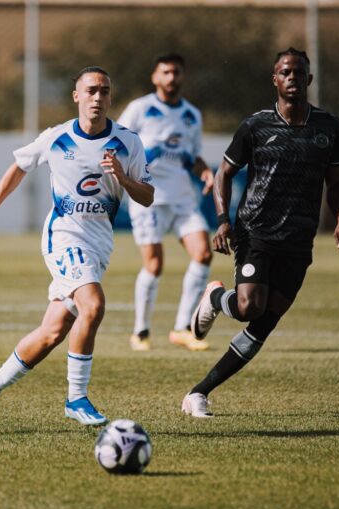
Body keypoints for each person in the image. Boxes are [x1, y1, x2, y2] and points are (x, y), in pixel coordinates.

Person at [0, 66, 154, 428]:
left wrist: (122, 176)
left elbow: (147, 197)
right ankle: (76, 398)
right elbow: (19, 167)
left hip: (99, 243)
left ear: (110, 97)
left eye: (103, 91)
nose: (97, 97)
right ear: (77, 97)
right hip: (63, 237)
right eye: (90, 91)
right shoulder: (57, 138)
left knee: (52, 332)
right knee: (95, 304)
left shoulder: (129, 142)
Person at [182, 48, 339, 418]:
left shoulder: (331, 128)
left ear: (309, 79)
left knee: (263, 323)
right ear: (274, 80)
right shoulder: (255, 126)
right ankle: (215, 301)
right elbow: (224, 175)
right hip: (255, 230)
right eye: (285, 72)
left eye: (298, 72)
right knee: (248, 307)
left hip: (299, 240)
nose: (292, 77)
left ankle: (199, 393)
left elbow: (336, 183)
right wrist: (223, 220)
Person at [118, 53, 215, 352]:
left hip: (183, 199)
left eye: (176, 73)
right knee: (155, 264)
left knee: (204, 254)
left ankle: (183, 328)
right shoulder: (140, 108)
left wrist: (205, 172)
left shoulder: (191, 115)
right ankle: (141, 331)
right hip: (149, 200)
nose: (171, 78)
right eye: (166, 73)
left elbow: (193, 157)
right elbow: (117, 142)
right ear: (155, 77)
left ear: (182, 76)